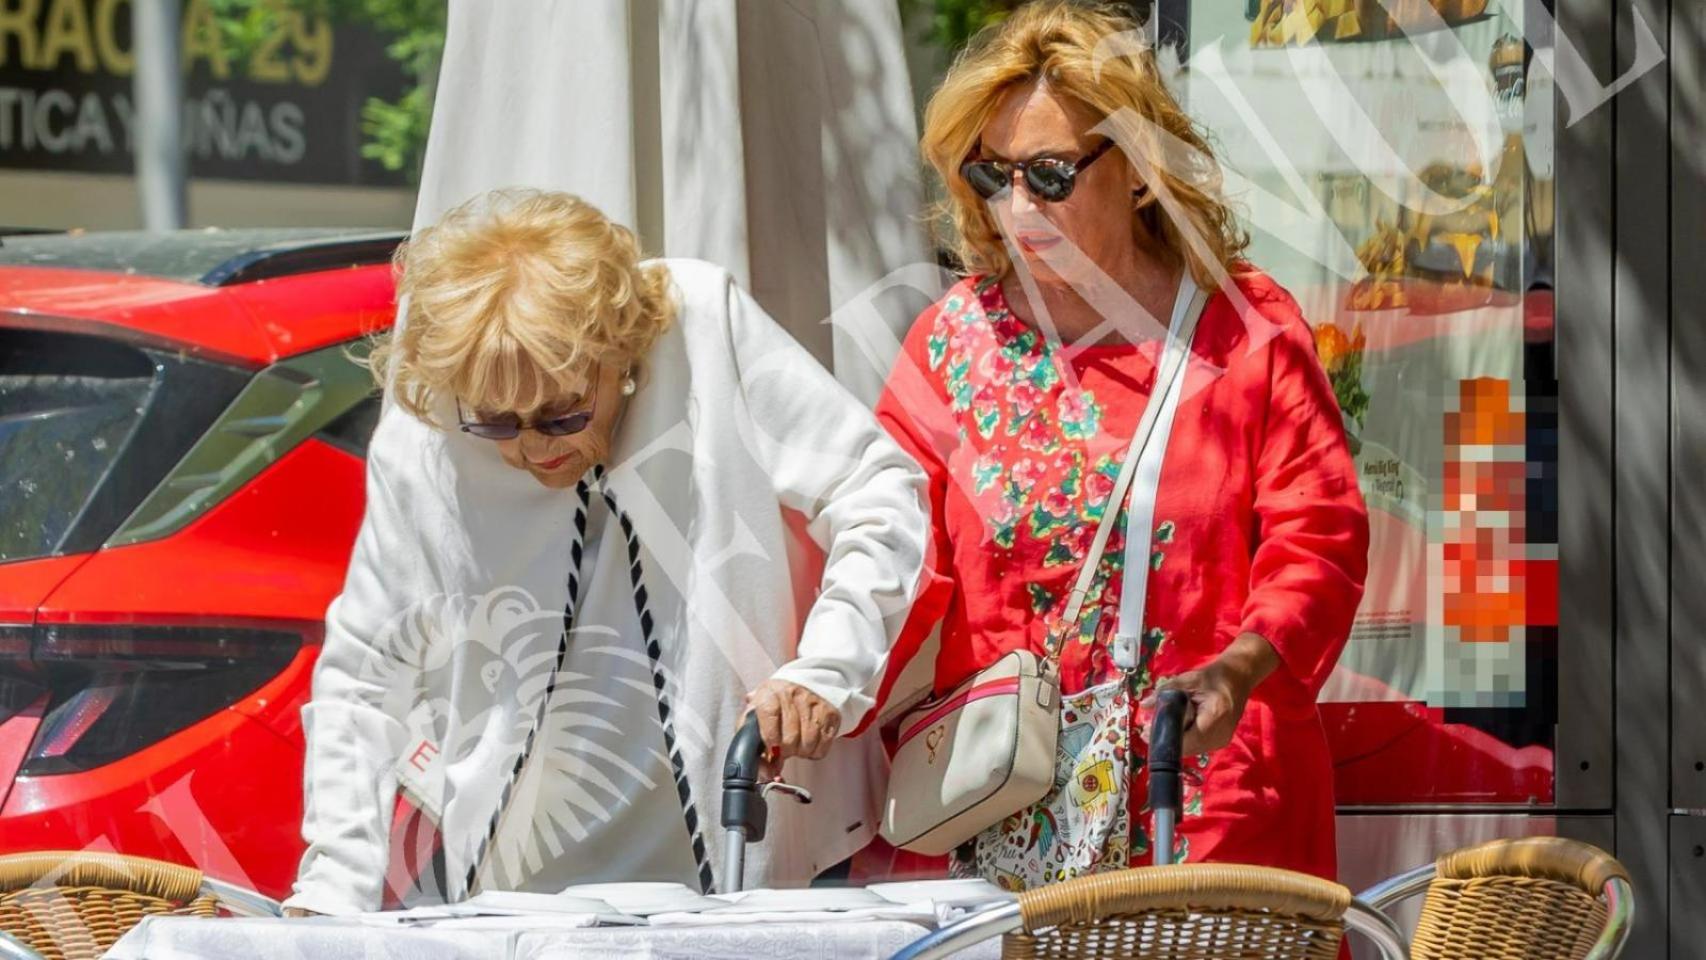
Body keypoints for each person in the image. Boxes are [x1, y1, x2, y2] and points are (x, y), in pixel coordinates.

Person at [283, 188, 936, 914]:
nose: (534, 449)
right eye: (498, 423)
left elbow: (876, 491)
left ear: (620, 353)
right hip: (522, 885)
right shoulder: (429, 423)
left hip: (747, 842)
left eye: (564, 414)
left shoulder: (701, 324)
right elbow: (366, 673)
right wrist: (333, 885)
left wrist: (827, 671)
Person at [873, 0, 1369, 888]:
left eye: (1052, 174)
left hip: (1206, 808)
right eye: (995, 177)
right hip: (1000, 819)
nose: (1019, 205)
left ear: (1139, 169)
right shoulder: (947, 346)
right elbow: (891, 555)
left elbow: (1319, 539)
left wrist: (1240, 668)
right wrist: (819, 686)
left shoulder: (1244, 328)